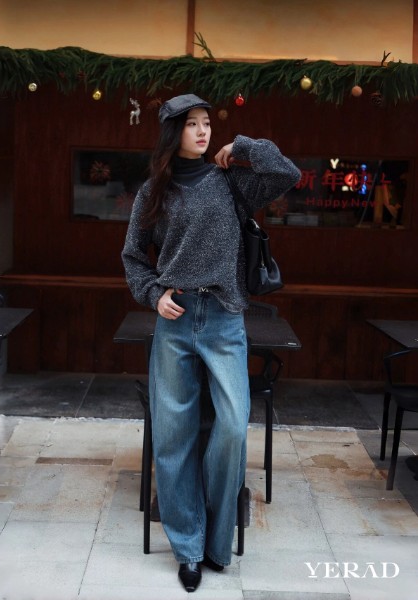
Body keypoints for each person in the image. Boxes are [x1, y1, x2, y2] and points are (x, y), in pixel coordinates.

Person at [122, 93, 300, 592]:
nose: (203, 131)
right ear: (172, 132)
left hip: (224, 319)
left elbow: (286, 174)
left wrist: (242, 146)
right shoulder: (152, 192)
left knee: (233, 426)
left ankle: (218, 542)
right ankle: (188, 548)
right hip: (175, 320)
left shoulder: (230, 182)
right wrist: (154, 294)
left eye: (207, 124)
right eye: (192, 124)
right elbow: (133, 256)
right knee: (173, 436)